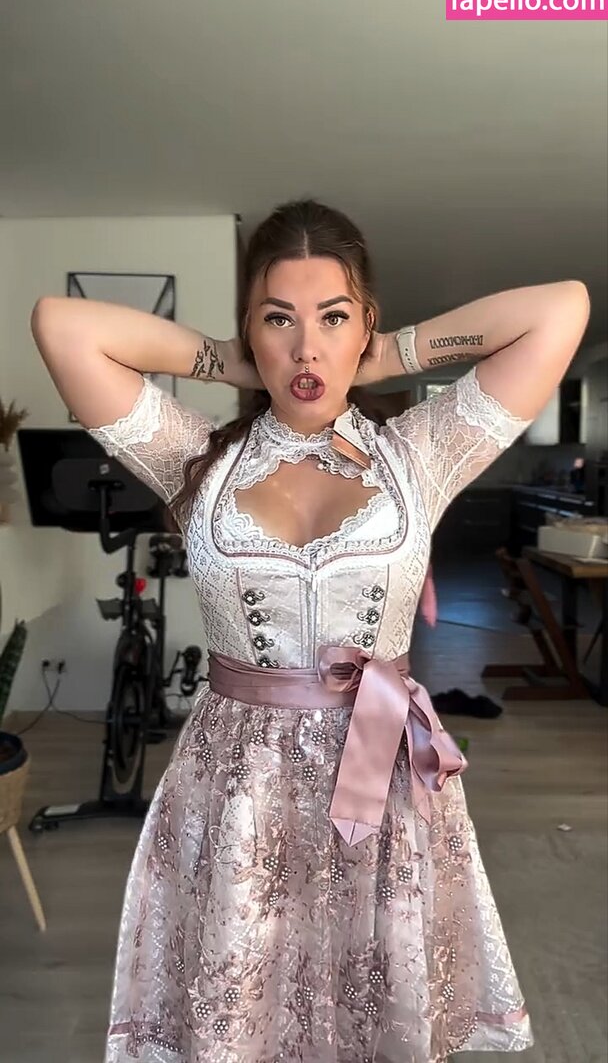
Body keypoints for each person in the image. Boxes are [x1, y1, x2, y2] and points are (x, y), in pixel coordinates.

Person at [31, 199, 590, 1063]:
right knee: (244, 1014)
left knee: (376, 1008)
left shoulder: (420, 454)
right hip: (237, 790)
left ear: (365, 322)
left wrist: (387, 352)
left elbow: (561, 309)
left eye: (332, 318)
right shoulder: (196, 460)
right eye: (277, 320)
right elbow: (62, 327)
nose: (306, 349)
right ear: (250, 330)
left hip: (384, 778)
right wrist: (230, 360)